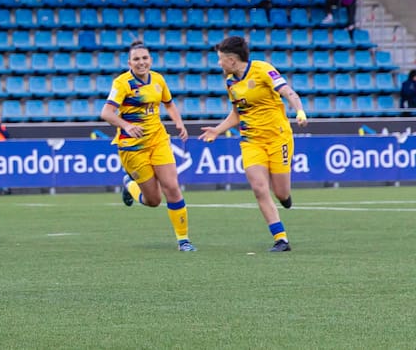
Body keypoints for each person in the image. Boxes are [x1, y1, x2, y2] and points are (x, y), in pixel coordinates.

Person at [201, 36, 308, 252]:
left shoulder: (262, 70)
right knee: (259, 189)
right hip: (251, 141)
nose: (219, 63)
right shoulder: (230, 83)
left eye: (220, 59)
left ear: (232, 60)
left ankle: (285, 197)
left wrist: (299, 110)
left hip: (278, 137)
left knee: (280, 192)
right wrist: (217, 130)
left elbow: (287, 91)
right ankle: (281, 239)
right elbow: (236, 114)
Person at [99, 41, 195, 252]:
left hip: (158, 139)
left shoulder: (158, 80)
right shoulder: (122, 83)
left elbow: (168, 103)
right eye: (136, 59)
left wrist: (178, 122)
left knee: (172, 186)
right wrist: (126, 125)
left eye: (145, 58)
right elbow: (106, 113)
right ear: (129, 62)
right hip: (133, 147)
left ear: (150, 60)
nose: (141, 62)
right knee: (153, 200)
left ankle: (184, 240)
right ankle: (129, 184)